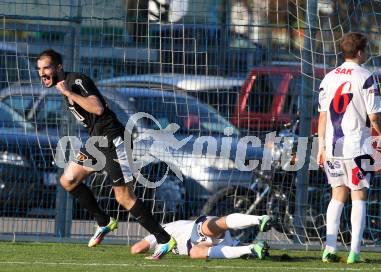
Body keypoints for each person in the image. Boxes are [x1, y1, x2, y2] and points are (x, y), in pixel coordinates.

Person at [36, 49, 175, 259]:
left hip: (114, 141)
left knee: (123, 197)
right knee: (68, 180)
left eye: (46, 68)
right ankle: (104, 221)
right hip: (97, 142)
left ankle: (164, 239)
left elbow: (99, 108)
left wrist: (69, 93)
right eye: (39, 69)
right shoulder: (65, 86)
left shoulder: (76, 81)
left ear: (59, 67)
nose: (42, 73)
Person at [317, 33, 381, 264]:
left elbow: (322, 116)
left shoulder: (328, 78)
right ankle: (354, 253)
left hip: (332, 147)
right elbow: (374, 117)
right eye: (365, 50)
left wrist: (321, 147)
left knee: (337, 194)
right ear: (359, 53)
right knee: (359, 196)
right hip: (358, 146)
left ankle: (329, 249)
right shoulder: (366, 77)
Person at [131, 214, 272, 260]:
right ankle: (251, 248)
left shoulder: (162, 231)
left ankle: (259, 219)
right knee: (194, 252)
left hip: (198, 229)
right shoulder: (161, 237)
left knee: (209, 228)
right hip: (201, 245)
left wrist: (155, 253)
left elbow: (136, 249)